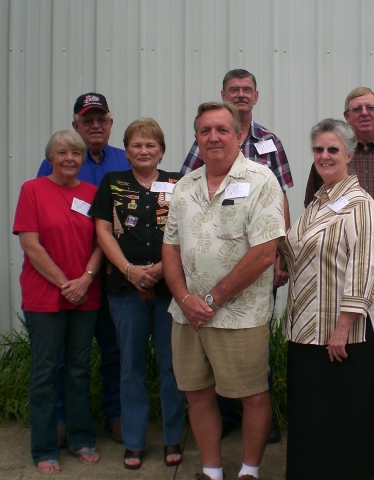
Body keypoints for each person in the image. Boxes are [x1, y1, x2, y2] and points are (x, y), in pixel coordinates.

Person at [162, 101, 285, 480]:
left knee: (253, 396)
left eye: (221, 129)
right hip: (188, 316)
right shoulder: (184, 186)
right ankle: (211, 470)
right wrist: (185, 299)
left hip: (240, 316)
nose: (213, 137)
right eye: (205, 131)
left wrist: (211, 299)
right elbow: (170, 248)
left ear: (238, 134)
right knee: (197, 393)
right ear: (196, 138)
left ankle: (249, 471)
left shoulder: (262, 180)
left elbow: (265, 253)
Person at [180, 68, 292, 443]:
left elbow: (282, 198)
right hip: (204, 281)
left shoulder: (270, 142)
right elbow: (188, 193)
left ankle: (257, 417)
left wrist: (280, 256)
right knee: (210, 357)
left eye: (247, 89)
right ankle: (226, 416)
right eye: (234, 89)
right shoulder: (205, 143)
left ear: (256, 96)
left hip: (254, 267)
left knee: (253, 351)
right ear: (224, 95)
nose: (241, 94)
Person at [282, 118, 374, 480]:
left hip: (345, 336)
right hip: (307, 330)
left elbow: (365, 266)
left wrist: (342, 328)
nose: (325, 155)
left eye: (333, 149)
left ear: (349, 155)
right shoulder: (318, 201)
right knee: (314, 420)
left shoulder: (360, 204)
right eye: (319, 149)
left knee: (345, 421)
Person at [90, 118, 186, 470]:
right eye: (136, 145)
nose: (144, 151)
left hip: (169, 288)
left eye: (151, 145)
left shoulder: (178, 183)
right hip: (124, 288)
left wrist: (162, 268)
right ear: (127, 151)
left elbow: (189, 230)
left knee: (171, 365)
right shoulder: (112, 183)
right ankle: (133, 440)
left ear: (161, 150)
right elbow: (102, 230)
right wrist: (129, 270)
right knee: (130, 366)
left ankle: (173, 436)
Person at [37, 92, 128, 445]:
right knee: (65, 356)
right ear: (75, 125)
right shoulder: (57, 163)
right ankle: (63, 418)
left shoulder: (124, 160)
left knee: (114, 350)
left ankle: (115, 414)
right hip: (73, 279)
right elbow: (44, 218)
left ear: (110, 123)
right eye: (87, 120)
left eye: (101, 119)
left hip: (114, 276)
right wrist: (68, 279)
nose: (95, 126)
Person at [13, 130, 103, 475]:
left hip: (85, 295)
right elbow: (30, 244)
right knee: (46, 372)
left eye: (76, 153)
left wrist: (86, 279)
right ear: (50, 157)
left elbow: (101, 242)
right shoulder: (32, 190)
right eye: (62, 152)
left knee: (79, 370)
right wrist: (65, 283)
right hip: (44, 296)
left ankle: (81, 438)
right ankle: (45, 447)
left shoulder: (91, 193)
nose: (69, 158)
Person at [303, 87, 374, 210]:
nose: (364, 113)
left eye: (370, 108)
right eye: (357, 109)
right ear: (347, 116)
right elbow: (311, 203)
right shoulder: (329, 157)